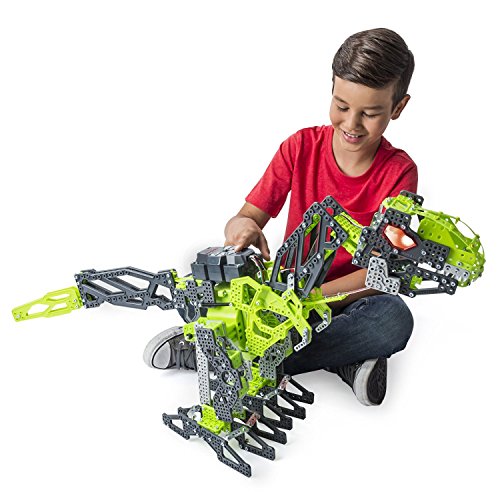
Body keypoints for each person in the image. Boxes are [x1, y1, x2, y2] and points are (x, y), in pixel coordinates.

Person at [144, 28, 417, 406]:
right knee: (206, 281)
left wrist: (312, 299)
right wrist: (242, 229)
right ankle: (345, 359)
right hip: (283, 294)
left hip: (346, 298)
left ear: (398, 108)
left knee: (393, 318)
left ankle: (220, 354)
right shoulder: (300, 147)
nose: (352, 124)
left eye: (370, 114)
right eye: (341, 106)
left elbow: (382, 271)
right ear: (331, 90)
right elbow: (246, 217)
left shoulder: (399, 173)